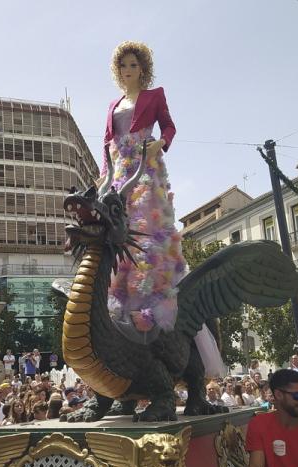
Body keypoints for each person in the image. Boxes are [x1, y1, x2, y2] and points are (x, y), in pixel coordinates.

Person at [101, 41, 184, 334]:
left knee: (146, 229)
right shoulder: (113, 104)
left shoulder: (154, 95)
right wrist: (103, 177)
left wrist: (159, 144)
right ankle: (118, 299)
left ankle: (150, 304)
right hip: (119, 171)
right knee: (117, 230)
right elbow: (106, 144)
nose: (127, 70)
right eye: (123, 65)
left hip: (145, 167)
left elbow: (169, 127)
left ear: (142, 68)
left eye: (133, 65)